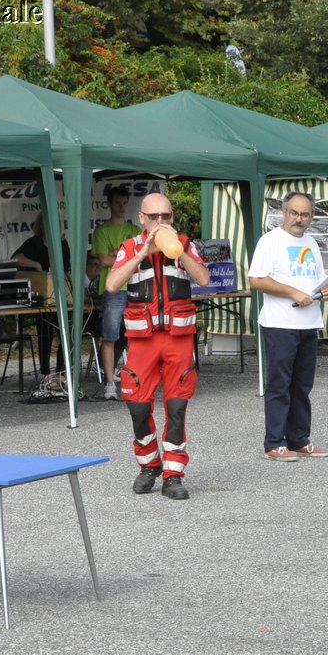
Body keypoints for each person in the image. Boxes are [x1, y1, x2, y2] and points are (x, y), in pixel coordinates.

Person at [105, 192, 211, 499]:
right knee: (138, 407)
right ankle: (149, 464)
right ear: (142, 219)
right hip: (142, 341)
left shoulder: (187, 244)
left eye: (166, 216)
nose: (161, 222)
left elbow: (203, 278)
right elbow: (112, 284)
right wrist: (142, 253)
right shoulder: (130, 247)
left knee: (176, 408)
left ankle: (173, 475)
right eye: (154, 217)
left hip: (178, 339)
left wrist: (179, 253)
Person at [248, 192, 328, 462]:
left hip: (309, 322)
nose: (299, 219)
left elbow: (317, 279)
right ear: (284, 212)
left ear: (312, 217)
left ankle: (299, 439)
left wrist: (325, 289)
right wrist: (292, 292)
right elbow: (257, 280)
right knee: (279, 385)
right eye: (294, 213)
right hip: (280, 323)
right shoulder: (270, 241)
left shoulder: (312, 243)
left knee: (302, 385)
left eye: (305, 214)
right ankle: (274, 443)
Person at [90, 186, 139, 400]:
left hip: (136, 287)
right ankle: (110, 383)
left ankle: (133, 378)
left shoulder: (136, 230)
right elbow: (103, 260)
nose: (122, 207)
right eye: (118, 202)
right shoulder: (101, 231)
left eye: (125, 202)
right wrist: (126, 255)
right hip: (113, 288)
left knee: (137, 334)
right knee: (109, 335)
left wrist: (116, 255)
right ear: (109, 204)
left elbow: (141, 258)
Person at [11, 216, 72, 378]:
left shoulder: (62, 243)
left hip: (61, 293)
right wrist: (36, 265)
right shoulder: (35, 242)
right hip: (42, 295)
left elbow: (67, 269)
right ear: (41, 225)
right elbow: (16, 258)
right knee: (45, 333)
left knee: (66, 333)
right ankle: (45, 372)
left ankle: (62, 371)